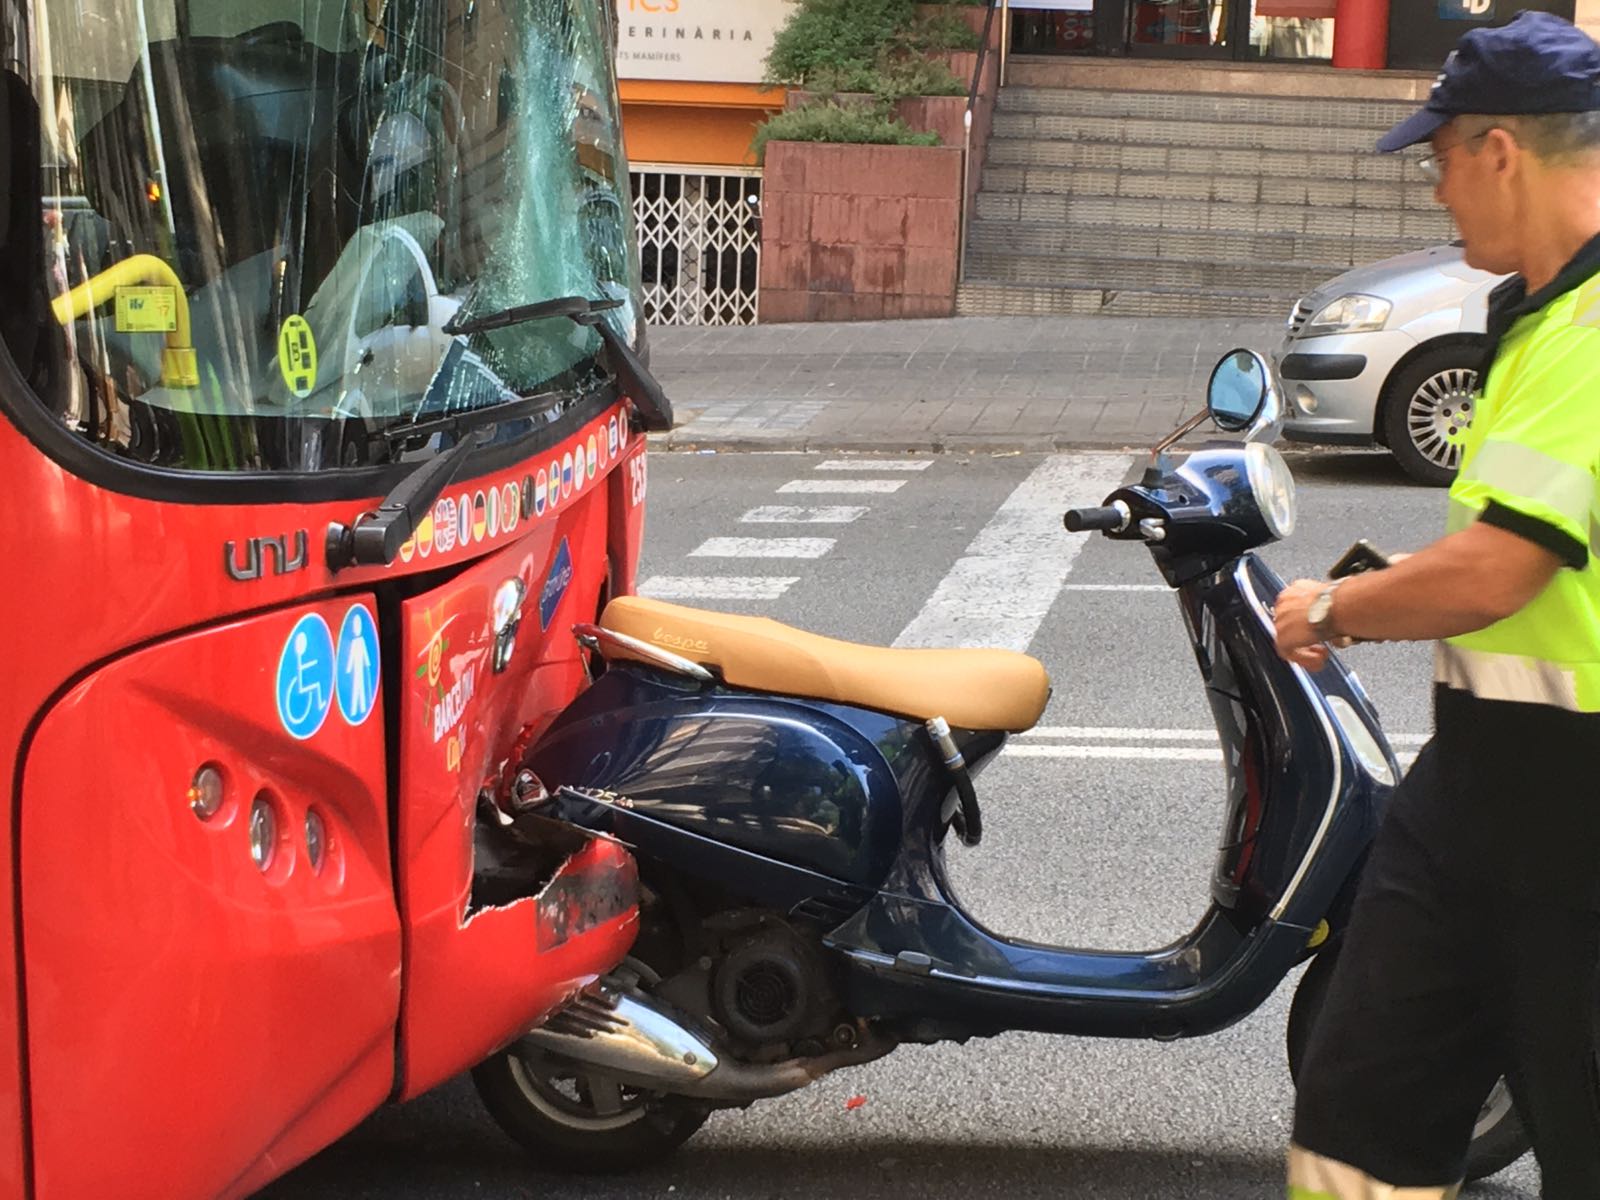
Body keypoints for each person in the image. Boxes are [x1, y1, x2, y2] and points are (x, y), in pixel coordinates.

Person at [1273, 12, 1600, 1199]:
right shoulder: (1539, 316)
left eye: (1441, 157)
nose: (1437, 189)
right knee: (1360, 1106)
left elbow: (1501, 568)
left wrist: (1337, 606)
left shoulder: (1591, 328)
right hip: (1478, 798)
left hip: (1579, 817)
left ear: (1500, 150)